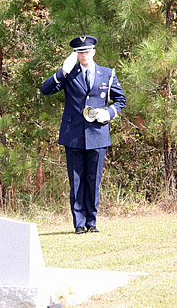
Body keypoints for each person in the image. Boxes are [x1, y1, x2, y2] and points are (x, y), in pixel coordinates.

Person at [40, 36, 126, 234]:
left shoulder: (107, 73)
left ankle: (92, 222)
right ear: (76, 54)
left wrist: (108, 113)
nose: (84, 55)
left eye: (87, 51)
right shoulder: (69, 73)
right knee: (76, 181)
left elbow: (121, 100)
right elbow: (45, 90)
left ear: (94, 52)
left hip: (97, 133)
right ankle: (79, 223)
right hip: (74, 134)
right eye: (80, 52)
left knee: (93, 180)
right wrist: (62, 72)